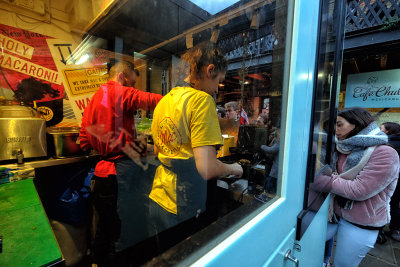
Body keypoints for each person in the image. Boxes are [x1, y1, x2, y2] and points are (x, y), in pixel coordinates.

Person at [149, 42, 243, 236]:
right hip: (182, 203)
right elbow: (207, 169)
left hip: (158, 196)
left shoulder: (164, 101)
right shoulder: (201, 100)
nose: (217, 89)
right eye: (219, 81)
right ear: (210, 70)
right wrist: (234, 169)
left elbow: (159, 151)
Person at [79, 60, 162, 266]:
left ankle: (97, 262)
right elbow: (152, 100)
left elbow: (83, 138)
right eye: (131, 83)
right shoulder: (118, 91)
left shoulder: (95, 97)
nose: (132, 88)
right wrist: (177, 99)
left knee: (104, 229)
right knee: (122, 231)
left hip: (101, 174)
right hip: (119, 174)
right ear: (122, 77)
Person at [311, 108, 399, 267]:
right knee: (309, 245)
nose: (335, 130)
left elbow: (358, 190)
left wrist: (322, 180)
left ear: (356, 124)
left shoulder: (385, 153)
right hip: (334, 214)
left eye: (339, 125)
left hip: (361, 223)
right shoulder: (342, 148)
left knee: (343, 264)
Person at [380, 122, 400, 241]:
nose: (380, 130)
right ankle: (396, 230)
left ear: (388, 131)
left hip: (390, 179)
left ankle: (379, 230)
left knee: (384, 202)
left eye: (381, 128)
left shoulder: (387, 144)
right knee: (395, 204)